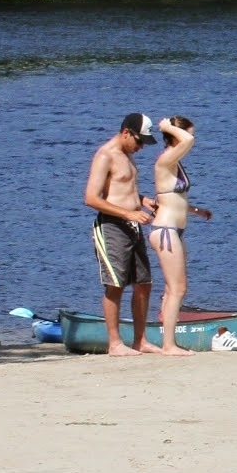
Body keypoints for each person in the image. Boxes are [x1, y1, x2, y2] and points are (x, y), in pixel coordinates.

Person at [83, 113, 159, 357]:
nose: (140, 147)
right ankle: (114, 343)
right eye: (138, 141)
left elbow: (122, 190)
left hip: (133, 225)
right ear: (126, 132)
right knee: (115, 285)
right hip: (113, 227)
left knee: (144, 284)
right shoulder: (105, 155)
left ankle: (140, 340)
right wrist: (128, 214)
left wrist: (143, 201)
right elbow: (91, 198)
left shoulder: (127, 156)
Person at [142, 117, 213, 357]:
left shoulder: (175, 161)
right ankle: (168, 345)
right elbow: (188, 139)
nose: (193, 142)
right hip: (165, 231)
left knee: (174, 289)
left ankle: (167, 340)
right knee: (177, 289)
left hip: (175, 229)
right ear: (176, 136)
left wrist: (195, 210)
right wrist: (166, 127)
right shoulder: (166, 159)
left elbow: (171, 198)